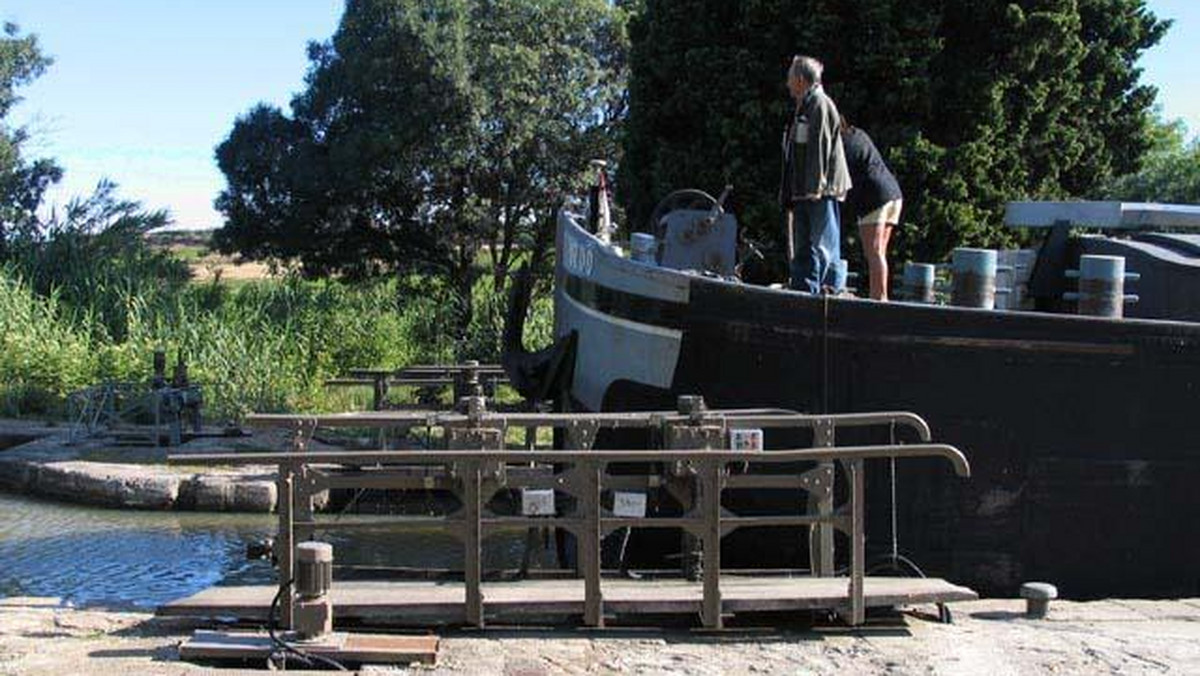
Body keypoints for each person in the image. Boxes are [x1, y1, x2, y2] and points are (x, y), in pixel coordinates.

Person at [779, 55, 851, 294]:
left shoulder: (819, 104)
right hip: (804, 190)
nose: (787, 82)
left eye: (790, 77)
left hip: (820, 190)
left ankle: (832, 292)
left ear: (800, 79)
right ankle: (804, 290)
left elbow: (818, 148)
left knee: (825, 245)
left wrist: (814, 189)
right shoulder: (804, 105)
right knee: (804, 246)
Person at [841, 117, 903, 301]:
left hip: (874, 197)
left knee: (873, 251)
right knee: (880, 252)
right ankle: (880, 296)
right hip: (893, 193)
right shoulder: (858, 134)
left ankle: (879, 299)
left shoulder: (842, 144)